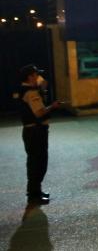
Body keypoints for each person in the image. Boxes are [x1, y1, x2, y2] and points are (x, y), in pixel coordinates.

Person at [16, 64, 60, 205]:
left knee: (36, 162)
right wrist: (52, 107)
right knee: (38, 163)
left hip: (33, 131)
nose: (39, 77)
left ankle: (35, 191)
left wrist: (42, 86)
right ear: (30, 77)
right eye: (36, 74)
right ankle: (34, 195)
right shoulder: (30, 92)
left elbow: (43, 87)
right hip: (35, 132)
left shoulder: (27, 89)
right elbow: (39, 112)